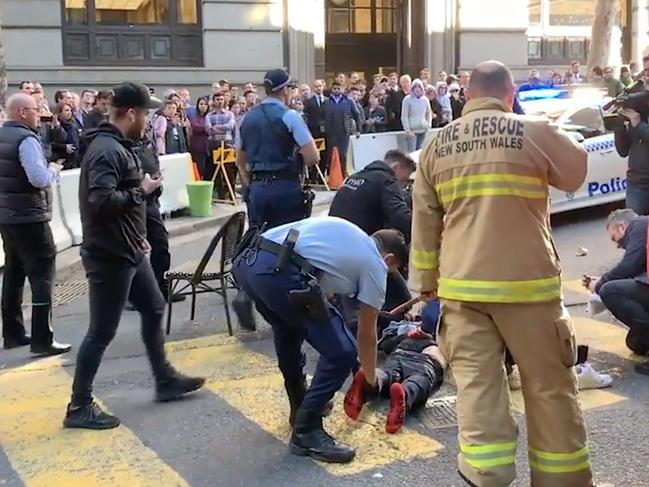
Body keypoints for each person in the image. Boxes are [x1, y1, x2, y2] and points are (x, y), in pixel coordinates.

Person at [411, 61, 593, 487]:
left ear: (466, 97)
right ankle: (561, 480)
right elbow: (576, 172)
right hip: (528, 288)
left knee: (478, 391)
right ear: (510, 94)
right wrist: (547, 128)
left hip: (461, 290)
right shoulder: (533, 131)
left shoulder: (436, 146)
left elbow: (424, 223)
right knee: (549, 389)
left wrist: (426, 286)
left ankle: (486, 475)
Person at [64, 82, 205, 430]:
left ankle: (165, 379)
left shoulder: (117, 145)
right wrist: (141, 190)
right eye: (145, 113)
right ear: (131, 114)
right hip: (110, 254)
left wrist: (138, 233)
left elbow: (115, 200)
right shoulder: (107, 150)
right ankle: (78, 405)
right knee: (101, 331)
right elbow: (100, 202)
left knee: (154, 306)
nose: (148, 119)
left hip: (129, 249)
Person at [232, 217, 408, 463]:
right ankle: (307, 430)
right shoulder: (375, 264)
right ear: (388, 260)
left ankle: (299, 406)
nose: (388, 274)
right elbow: (367, 334)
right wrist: (369, 380)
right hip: (279, 270)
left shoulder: (350, 235)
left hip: (248, 262)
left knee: (288, 328)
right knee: (342, 351)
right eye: (393, 270)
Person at [234, 68, 320, 331]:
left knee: (257, 240)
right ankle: (287, 304)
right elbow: (313, 156)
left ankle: (245, 293)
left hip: (258, 186)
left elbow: (240, 159)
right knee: (288, 244)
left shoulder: (246, 119)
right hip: (284, 186)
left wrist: (252, 184)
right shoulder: (289, 116)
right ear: (285, 90)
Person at [0, 94, 71, 355]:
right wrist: (54, 168)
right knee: (43, 276)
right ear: (21, 112)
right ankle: (42, 338)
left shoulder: (2, 135)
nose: (38, 113)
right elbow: (38, 178)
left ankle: (13, 333)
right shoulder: (26, 139)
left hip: (7, 217)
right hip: (30, 216)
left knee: (14, 274)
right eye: (33, 109)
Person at [344, 324, 446, 434]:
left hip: (400, 353)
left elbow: (385, 344)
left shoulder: (405, 328)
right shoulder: (444, 333)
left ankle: (371, 380)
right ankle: (405, 393)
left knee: (388, 374)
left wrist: (406, 335)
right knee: (419, 378)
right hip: (427, 358)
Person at [584, 209, 649, 374]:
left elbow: (629, 265)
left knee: (610, 291)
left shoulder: (640, 225)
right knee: (636, 343)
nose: (617, 245)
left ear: (621, 227)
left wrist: (599, 285)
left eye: (615, 239)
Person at [329, 149, 414, 241]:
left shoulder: (356, 176)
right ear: (395, 167)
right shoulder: (387, 180)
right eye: (404, 180)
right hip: (356, 242)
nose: (403, 185)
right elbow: (400, 217)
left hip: (333, 235)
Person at [613, 94, 649, 215]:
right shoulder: (638, 108)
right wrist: (619, 127)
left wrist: (639, 125)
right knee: (634, 226)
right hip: (637, 181)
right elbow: (623, 151)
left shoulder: (638, 121)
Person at [323, 81, 362, 176]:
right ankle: (331, 176)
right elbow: (321, 116)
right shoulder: (327, 102)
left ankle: (343, 174)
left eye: (338, 88)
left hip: (344, 132)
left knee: (343, 155)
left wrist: (358, 130)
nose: (336, 90)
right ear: (331, 89)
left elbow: (357, 115)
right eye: (334, 89)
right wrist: (323, 127)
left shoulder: (348, 101)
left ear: (343, 89)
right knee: (331, 155)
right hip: (331, 132)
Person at [401, 79, 432, 152]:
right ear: (412, 88)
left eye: (419, 87)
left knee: (420, 151)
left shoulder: (425, 100)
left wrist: (428, 124)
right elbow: (404, 115)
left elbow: (428, 112)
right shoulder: (407, 100)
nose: (417, 89)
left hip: (423, 129)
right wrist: (407, 129)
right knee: (412, 152)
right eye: (415, 87)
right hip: (412, 130)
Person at [51, 102, 82, 169]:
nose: (69, 112)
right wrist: (64, 147)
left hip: (73, 160)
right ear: (59, 113)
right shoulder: (53, 126)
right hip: (61, 161)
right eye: (66, 110)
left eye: (70, 110)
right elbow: (53, 142)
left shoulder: (73, 125)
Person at [188, 96, 210, 179]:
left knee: (208, 170)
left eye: (205, 104)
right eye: (201, 104)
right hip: (198, 148)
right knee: (199, 169)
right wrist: (208, 128)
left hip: (208, 148)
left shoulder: (209, 117)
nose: (203, 106)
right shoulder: (194, 117)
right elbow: (195, 127)